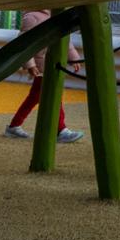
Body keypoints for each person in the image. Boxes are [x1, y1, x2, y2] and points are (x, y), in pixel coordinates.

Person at [5, 10, 81, 142]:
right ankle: (61, 130)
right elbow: (25, 43)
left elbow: (65, 40)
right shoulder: (31, 17)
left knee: (34, 97)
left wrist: (73, 57)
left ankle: (14, 125)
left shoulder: (55, 14)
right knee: (54, 95)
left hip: (52, 64)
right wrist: (30, 64)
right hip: (42, 66)